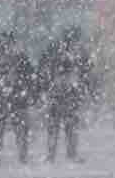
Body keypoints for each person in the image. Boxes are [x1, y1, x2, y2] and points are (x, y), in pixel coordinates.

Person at [0, 31, 38, 165]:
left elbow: (31, 80)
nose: (6, 47)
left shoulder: (21, 61)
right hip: (3, 100)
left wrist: (29, 95)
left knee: (19, 130)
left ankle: (21, 157)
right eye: (3, 44)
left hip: (16, 100)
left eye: (9, 44)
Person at [38, 27, 94, 162]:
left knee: (61, 126)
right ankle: (65, 154)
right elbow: (85, 73)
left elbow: (47, 72)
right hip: (64, 94)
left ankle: (56, 155)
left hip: (63, 94)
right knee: (64, 125)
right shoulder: (69, 56)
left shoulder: (60, 53)